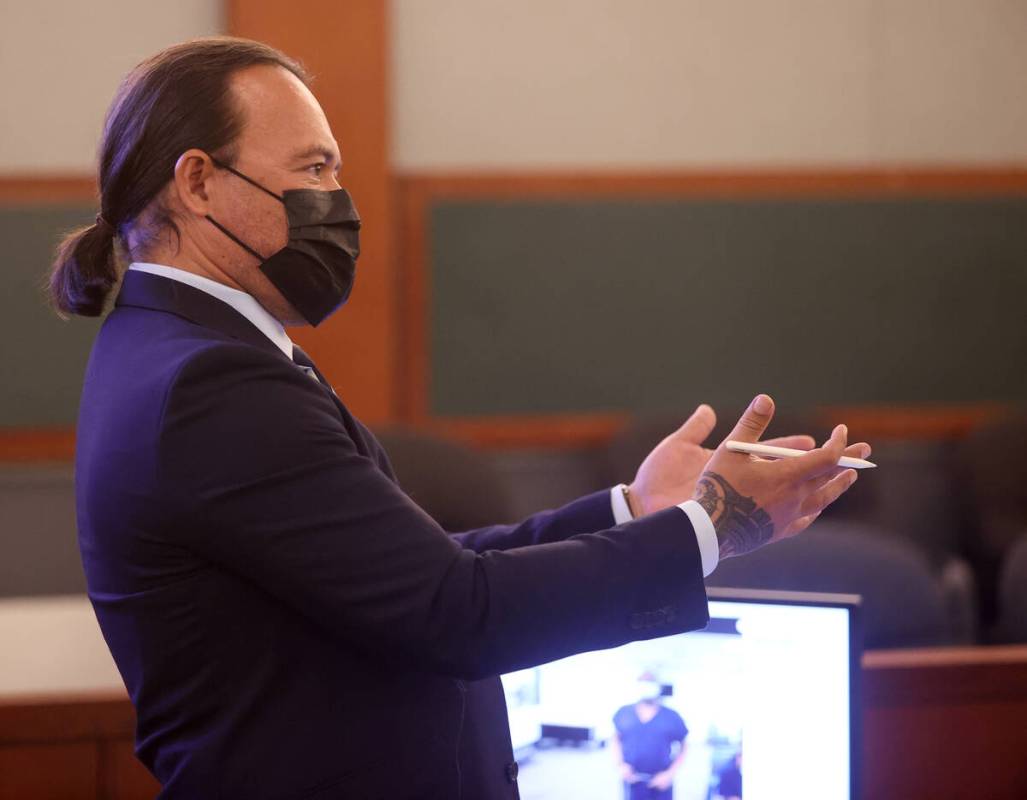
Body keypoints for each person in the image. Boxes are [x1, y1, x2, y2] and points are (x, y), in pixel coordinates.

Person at [50, 37, 868, 799]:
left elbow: (408, 576)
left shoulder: (183, 346)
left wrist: (639, 510)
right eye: (313, 170)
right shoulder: (210, 380)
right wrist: (711, 527)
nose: (337, 202)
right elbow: (457, 612)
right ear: (197, 183)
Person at [612, 674, 689, 799]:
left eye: (650, 683)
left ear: (658, 687)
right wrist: (620, 765)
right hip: (632, 780)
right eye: (644, 683)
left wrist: (670, 773)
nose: (647, 687)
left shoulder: (671, 716)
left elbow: (685, 746)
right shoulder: (624, 713)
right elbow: (615, 739)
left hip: (662, 781)